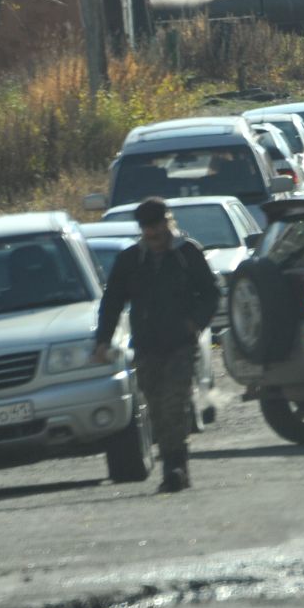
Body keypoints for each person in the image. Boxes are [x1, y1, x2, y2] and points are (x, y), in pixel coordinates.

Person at [92, 198, 219, 493]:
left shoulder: (187, 254)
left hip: (180, 345)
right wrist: (102, 341)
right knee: (158, 410)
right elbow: (112, 303)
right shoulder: (131, 261)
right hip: (147, 347)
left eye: (157, 226)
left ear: (168, 222)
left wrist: (195, 322)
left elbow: (211, 294)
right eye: (147, 228)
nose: (153, 234)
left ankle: (174, 469)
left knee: (176, 404)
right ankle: (176, 466)